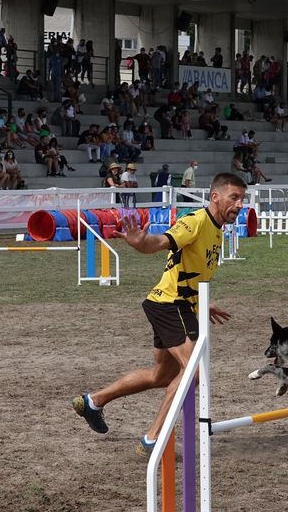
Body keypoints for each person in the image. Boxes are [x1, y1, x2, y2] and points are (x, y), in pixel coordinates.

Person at [72, 173, 244, 455]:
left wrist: (203, 302)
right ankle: (153, 439)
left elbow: (188, 270)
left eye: (241, 199)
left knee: (162, 376)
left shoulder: (216, 229)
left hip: (178, 304)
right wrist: (140, 243)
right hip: (170, 305)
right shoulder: (195, 221)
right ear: (215, 197)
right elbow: (160, 243)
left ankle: (93, 401)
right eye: (233, 197)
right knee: (193, 373)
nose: (239, 204)